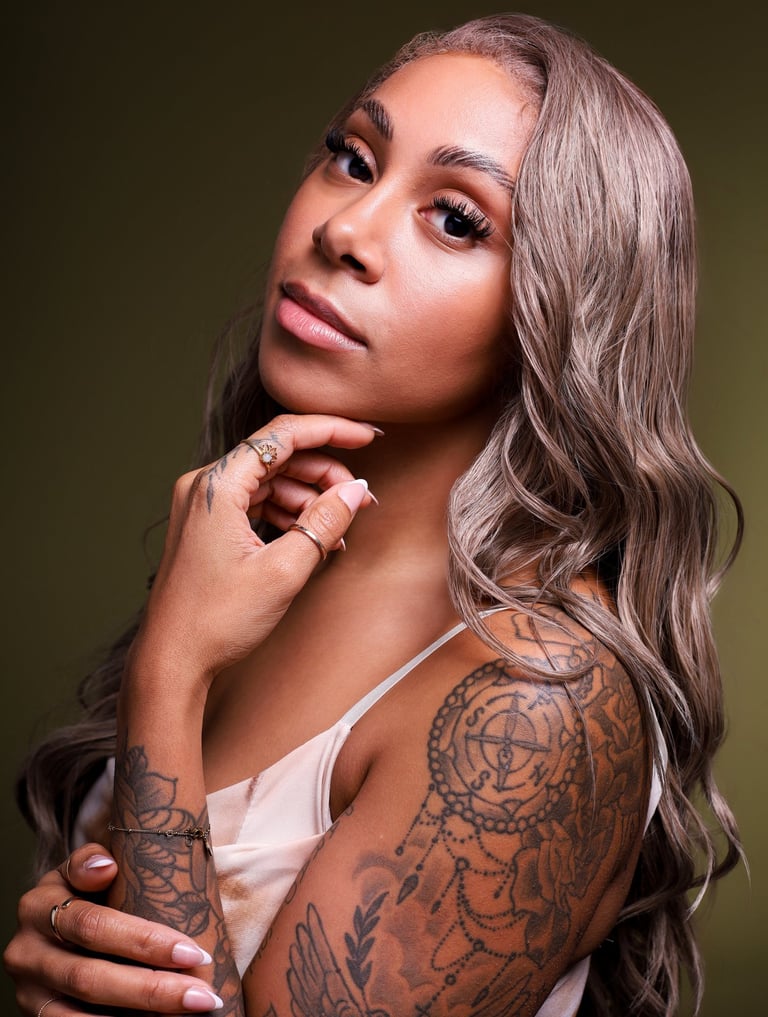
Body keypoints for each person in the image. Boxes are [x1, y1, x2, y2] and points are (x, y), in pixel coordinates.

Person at [4, 12, 743, 1017]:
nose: (343, 231)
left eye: (458, 220)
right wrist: (65, 959)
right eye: (353, 159)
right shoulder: (261, 565)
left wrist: (169, 671)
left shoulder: (536, 706)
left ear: (567, 314)